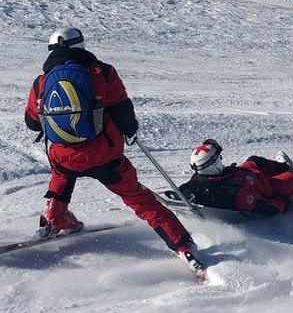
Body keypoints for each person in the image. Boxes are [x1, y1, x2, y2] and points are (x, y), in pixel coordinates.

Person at [24, 27, 198, 263]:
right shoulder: (102, 72)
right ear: (81, 46)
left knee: (61, 173)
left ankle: (56, 218)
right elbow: (123, 111)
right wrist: (130, 130)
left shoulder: (41, 82)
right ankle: (182, 245)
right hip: (105, 157)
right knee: (140, 200)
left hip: (64, 156)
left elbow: (33, 123)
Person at [179, 139, 293, 215]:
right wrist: (284, 202)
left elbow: (182, 191)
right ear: (214, 163)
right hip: (271, 187)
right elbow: (265, 208)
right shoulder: (234, 193)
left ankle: (285, 167)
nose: (221, 160)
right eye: (219, 159)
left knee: (255, 160)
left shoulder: (203, 177)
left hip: (244, 174)